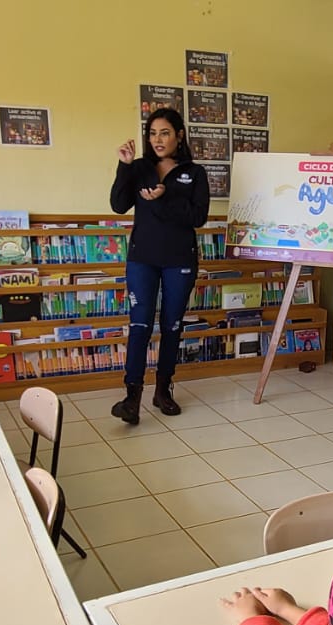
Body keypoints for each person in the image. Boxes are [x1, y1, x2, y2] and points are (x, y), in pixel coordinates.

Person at [109, 107, 210, 424]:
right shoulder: (139, 168)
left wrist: (165, 198)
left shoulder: (194, 173)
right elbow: (118, 204)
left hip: (179, 260)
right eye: (152, 133)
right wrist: (124, 167)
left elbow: (198, 217)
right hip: (142, 260)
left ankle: (163, 389)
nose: (158, 139)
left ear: (179, 135)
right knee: (139, 326)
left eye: (164, 132)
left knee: (171, 326)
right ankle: (131, 397)